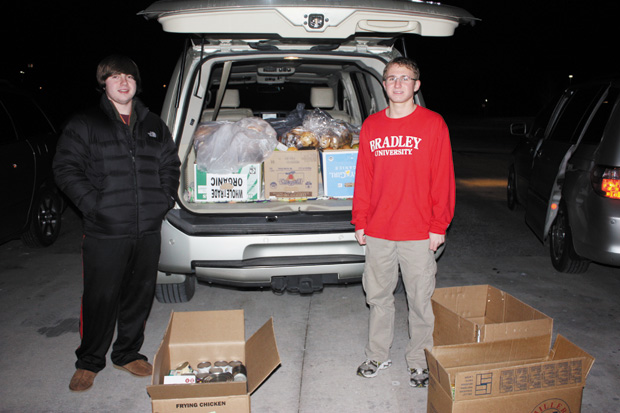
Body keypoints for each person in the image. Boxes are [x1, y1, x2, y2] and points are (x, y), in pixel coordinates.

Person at [53, 55, 181, 392]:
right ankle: (89, 362)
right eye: (114, 77)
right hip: (105, 230)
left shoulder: (153, 123)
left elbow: (170, 163)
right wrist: (94, 207)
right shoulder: (86, 123)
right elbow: (66, 169)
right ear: (104, 83)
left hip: (147, 228)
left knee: (139, 295)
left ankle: (127, 353)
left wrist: (164, 199)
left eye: (129, 77)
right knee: (100, 297)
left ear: (136, 83)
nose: (123, 82)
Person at [352, 56, 455, 387]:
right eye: (391, 78)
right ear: (384, 85)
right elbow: (363, 179)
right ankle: (377, 355)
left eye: (405, 78)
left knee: (420, 301)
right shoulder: (371, 126)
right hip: (379, 230)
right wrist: (360, 220)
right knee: (378, 298)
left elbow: (443, 179)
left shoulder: (433, 124)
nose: (398, 84)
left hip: (417, 231)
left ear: (416, 85)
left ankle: (419, 361)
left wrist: (439, 225)